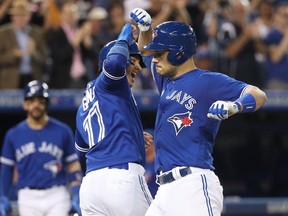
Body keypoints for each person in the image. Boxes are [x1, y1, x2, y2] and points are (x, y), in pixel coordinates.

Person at [130, 8, 267, 216]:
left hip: (193, 184)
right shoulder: (166, 78)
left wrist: (235, 106)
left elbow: (258, 95)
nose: (155, 59)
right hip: (164, 189)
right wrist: (146, 29)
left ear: (179, 52)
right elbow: (144, 52)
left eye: (161, 53)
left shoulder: (208, 81)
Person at [74, 23, 153, 216]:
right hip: (122, 178)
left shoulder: (85, 104)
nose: (137, 66)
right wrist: (125, 34)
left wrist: (127, 137)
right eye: (132, 60)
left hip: (92, 186)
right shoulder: (111, 82)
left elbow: (82, 152)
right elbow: (115, 63)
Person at [0, 80, 82, 216]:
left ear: (47, 104)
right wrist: (3, 196)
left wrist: (76, 193)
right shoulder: (13, 134)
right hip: (27, 196)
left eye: (41, 100)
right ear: (25, 104)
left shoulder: (62, 131)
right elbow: (7, 170)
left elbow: (73, 165)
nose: (36, 105)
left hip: (57, 194)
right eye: (32, 101)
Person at [0, 0, 46, 89]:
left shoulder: (37, 33)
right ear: (12, 17)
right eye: (18, 15)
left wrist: (34, 52)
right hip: (10, 81)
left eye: (23, 15)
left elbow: (44, 58)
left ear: (29, 17)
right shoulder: (3, 33)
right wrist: (13, 54)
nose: (21, 18)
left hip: (32, 78)